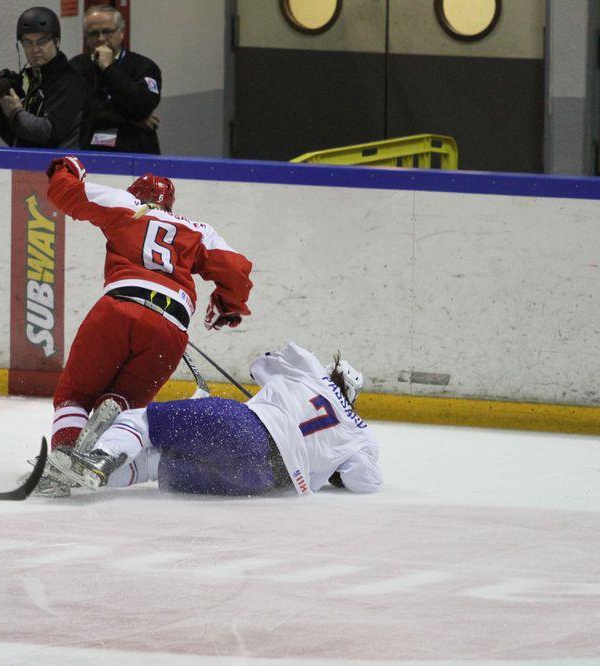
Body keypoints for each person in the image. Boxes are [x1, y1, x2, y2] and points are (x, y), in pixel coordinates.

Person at [37, 154, 253, 495]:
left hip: (120, 308)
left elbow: (65, 193)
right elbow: (237, 270)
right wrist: (228, 304)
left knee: (74, 394)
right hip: (171, 328)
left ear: (137, 193)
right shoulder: (199, 230)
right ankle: (106, 440)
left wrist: (67, 166)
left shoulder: (125, 204)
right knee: (130, 407)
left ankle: (63, 457)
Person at [49, 342, 382, 497]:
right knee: (155, 465)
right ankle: (87, 478)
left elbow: (260, 365)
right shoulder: (361, 435)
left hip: (246, 426)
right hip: (263, 481)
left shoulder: (312, 372)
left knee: (144, 423)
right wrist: (333, 470)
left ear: (332, 373)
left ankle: (95, 462)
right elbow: (364, 482)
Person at [0, 6, 88, 149]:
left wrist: (15, 112)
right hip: (28, 165)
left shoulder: (70, 80)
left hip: (59, 167)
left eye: (42, 41)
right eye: (28, 42)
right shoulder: (31, 80)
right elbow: (16, 139)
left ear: (56, 42)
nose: (35, 49)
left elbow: (49, 133)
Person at [69, 4, 162, 154]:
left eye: (107, 32)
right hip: (90, 153)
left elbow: (141, 105)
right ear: (86, 38)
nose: (100, 39)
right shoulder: (75, 67)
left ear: (121, 32)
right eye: (93, 34)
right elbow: (81, 111)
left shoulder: (145, 66)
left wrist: (108, 68)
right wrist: (132, 119)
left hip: (137, 151)